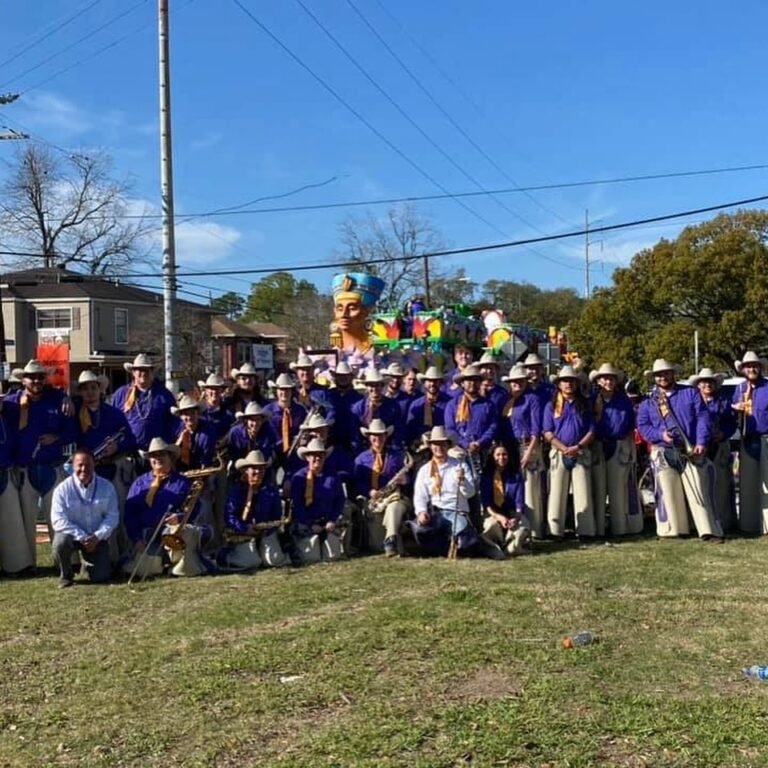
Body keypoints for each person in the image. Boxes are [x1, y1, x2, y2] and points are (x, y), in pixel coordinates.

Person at [637, 359, 723, 541]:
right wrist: (660, 435)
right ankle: (674, 530)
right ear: (654, 378)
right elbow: (643, 426)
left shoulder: (691, 393)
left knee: (699, 490)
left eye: (666, 373)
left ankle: (707, 530)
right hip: (664, 449)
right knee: (668, 492)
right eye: (659, 375)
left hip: (691, 449)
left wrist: (701, 441)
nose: (663, 377)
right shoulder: (648, 402)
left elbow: (703, 417)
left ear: (672, 374)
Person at [7, 359, 76, 563]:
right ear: (23, 380)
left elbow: (72, 430)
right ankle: (25, 564)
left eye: (40, 377)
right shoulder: (12, 403)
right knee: (26, 522)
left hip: (52, 467)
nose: (36, 380)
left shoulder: (57, 400)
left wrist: (58, 438)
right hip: (24, 470)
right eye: (32, 377)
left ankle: (65, 562)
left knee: (59, 518)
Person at [410, 426, 501, 558]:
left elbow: (470, 493)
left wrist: (462, 481)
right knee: (419, 531)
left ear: (448, 445)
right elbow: (420, 495)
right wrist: (421, 512)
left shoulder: (460, 466)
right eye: (435, 444)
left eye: (442, 443)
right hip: (435, 513)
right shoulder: (425, 470)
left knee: (466, 542)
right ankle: (446, 548)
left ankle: (477, 544)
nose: (439, 447)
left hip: (456, 512)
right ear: (430, 446)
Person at [124, 437, 210, 577]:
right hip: (147, 535)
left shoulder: (182, 482)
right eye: (153, 456)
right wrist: (137, 539)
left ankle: (179, 566)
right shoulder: (139, 483)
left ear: (170, 457)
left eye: (161, 454)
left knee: (185, 531)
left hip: (171, 532)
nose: (157, 458)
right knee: (145, 570)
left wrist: (180, 517)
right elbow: (130, 514)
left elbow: (196, 507)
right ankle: (158, 563)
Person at [50, 449, 119, 587]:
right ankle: (66, 575)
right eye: (79, 465)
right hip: (72, 537)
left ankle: (89, 567)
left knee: (101, 578)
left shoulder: (107, 487)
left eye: (88, 465)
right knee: (60, 542)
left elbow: (112, 517)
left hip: (96, 538)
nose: (84, 469)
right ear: (72, 465)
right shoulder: (62, 489)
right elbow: (58, 520)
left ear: (94, 464)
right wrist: (82, 537)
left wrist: (97, 537)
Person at [589, 363, 642, 537]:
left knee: (618, 490)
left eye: (611, 378)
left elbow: (630, 424)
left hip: (618, 445)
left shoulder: (623, 400)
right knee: (598, 489)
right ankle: (598, 528)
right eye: (605, 378)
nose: (608, 381)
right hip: (597, 445)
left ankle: (619, 527)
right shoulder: (591, 399)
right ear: (599, 381)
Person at [543, 365, 595, 540]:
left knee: (583, 493)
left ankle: (586, 531)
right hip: (559, 453)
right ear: (559, 384)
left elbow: (591, 430)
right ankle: (555, 531)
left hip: (580, 452)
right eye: (565, 381)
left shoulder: (585, 404)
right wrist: (563, 448)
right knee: (556, 493)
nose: (568, 384)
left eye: (571, 381)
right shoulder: (551, 405)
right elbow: (547, 432)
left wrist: (578, 447)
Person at [219, 450, 287, 570]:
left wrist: (267, 529)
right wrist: (245, 528)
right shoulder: (236, 490)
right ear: (245, 471)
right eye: (254, 468)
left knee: (274, 561)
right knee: (251, 563)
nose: (258, 472)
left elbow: (277, 515)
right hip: (242, 533)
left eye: (261, 468)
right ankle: (226, 556)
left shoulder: (270, 490)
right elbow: (229, 516)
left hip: (265, 532)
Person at [499, 364, 545, 539]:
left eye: (519, 381)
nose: (516, 384)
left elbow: (536, 429)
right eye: (513, 382)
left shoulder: (532, 399)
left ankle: (534, 530)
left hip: (527, 445)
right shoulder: (508, 401)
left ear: (525, 382)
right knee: (515, 489)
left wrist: (529, 452)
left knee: (530, 488)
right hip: (510, 446)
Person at [353, 419, 411, 557]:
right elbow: (356, 482)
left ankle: (390, 540)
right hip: (374, 501)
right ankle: (391, 543)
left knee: (394, 507)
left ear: (386, 436)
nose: (377, 438)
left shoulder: (397, 457)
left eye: (380, 435)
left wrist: (405, 480)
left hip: (394, 497)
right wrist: (369, 491)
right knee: (376, 546)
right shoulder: (360, 459)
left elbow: (410, 480)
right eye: (374, 435)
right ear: (369, 437)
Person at [692, 367, 737, 532]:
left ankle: (724, 521)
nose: (707, 385)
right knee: (699, 484)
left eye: (710, 382)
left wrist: (723, 433)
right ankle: (702, 522)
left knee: (722, 483)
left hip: (720, 445)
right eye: (704, 382)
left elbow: (732, 423)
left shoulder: (723, 402)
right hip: (699, 446)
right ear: (698, 385)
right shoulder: (694, 403)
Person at [289, 438, 345, 563]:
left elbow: (339, 500)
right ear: (307, 457)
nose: (317, 458)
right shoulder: (298, 478)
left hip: (327, 522)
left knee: (332, 556)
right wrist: (310, 524)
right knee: (311, 558)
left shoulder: (333, 476)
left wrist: (332, 519)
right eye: (313, 455)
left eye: (321, 455)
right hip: (307, 522)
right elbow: (297, 505)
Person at [731, 351, 768, 534]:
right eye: (748, 366)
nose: (752, 369)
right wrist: (734, 408)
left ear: (759, 368)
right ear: (743, 369)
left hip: (765, 438)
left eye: (755, 366)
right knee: (748, 484)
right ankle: (749, 524)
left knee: (767, 481)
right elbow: (731, 416)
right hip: (746, 439)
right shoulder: (739, 389)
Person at [111, 354, 178, 452]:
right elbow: (112, 422)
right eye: (139, 370)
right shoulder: (121, 394)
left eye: (146, 370)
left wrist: (165, 442)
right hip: (128, 451)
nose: (143, 373)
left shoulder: (164, 395)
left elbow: (175, 422)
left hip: (158, 451)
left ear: (152, 372)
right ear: (133, 372)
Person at [444, 364, 497, 474]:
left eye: (475, 380)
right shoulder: (453, 405)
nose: (472, 383)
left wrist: (479, 443)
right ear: (462, 383)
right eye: (468, 380)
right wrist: (466, 444)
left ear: (479, 383)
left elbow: (493, 426)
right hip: (459, 451)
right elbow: (450, 429)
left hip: (483, 451)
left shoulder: (488, 405)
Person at [480, 442, 530, 556]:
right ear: (492, 456)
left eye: (504, 454)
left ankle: (512, 546)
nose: (501, 457)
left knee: (519, 534)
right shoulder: (486, 476)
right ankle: (497, 544)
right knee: (491, 526)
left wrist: (515, 519)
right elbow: (486, 504)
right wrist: (500, 517)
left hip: (512, 514)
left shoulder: (516, 476)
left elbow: (519, 503)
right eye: (498, 455)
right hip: (493, 514)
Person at [330, 271, 385, 355]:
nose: (344, 314)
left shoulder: (381, 356)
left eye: (352, 308)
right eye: (340, 309)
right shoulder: (327, 358)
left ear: (365, 312)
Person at [0, 396, 25, 576]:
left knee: (11, 521)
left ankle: (14, 566)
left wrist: (65, 398)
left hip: (7, 471)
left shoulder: (9, 410)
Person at [264, 373, 308, 473]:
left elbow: (306, 432)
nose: (284, 392)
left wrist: (303, 439)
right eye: (281, 389)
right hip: (273, 453)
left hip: (294, 455)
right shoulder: (266, 412)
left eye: (287, 389)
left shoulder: (300, 411)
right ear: (276, 391)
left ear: (292, 391)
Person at [350, 369, 403, 452]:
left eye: (377, 385)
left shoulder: (393, 406)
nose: (374, 388)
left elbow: (398, 432)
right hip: (364, 449)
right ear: (366, 387)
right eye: (371, 385)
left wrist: (395, 452)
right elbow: (354, 435)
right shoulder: (358, 408)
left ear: (382, 386)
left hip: (388, 448)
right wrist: (360, 454)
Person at [405, 366, 449, 450]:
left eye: (435, 381)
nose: (432, 384)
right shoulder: (416, 404)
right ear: (424, 383)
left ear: (440, 382)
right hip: (421, 447)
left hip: (442, 445)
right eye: (429, 381)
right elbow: (410, 429)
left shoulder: (449, 403)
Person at [198, 373, 234, 441]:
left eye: (217, 389)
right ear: (205, 391)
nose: (214, 392)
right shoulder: (199, 411)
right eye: (211, 389)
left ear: (222, 391)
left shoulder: (228, 412)